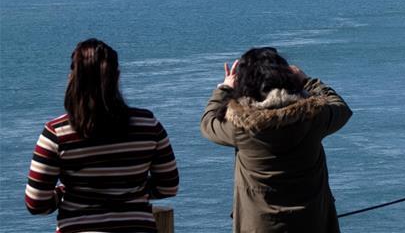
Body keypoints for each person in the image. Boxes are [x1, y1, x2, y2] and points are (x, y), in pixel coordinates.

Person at [25, 38, 179, 232]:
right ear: (116, 77)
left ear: (72, 78)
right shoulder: (148, 124)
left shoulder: (56, 133)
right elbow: (168, 187)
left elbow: (36, 204)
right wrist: (132, 191)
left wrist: (64, 193)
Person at [200, 47, 352, 233]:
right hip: (312, 222)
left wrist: (225, 89)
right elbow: (340, 107)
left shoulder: (242, 128)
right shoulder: (314, 118)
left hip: (259, 225)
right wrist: (308, 81)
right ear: (288, 79)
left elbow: (208, 123)